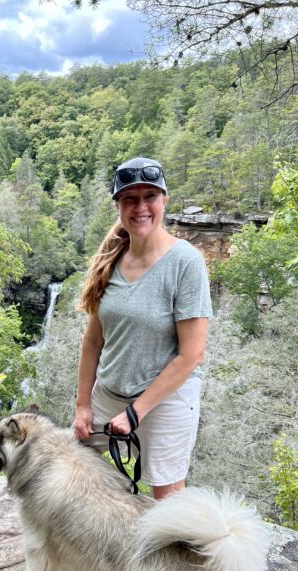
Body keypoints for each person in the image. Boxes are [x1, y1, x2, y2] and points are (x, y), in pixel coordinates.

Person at [73, 157, 212, 499]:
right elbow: (93, 342)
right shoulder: (112, 259)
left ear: (165, 200)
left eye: (150, 196)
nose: (141, 207)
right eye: (130, 199)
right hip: (108, 395)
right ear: (119, 206)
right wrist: (83, 407)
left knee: (167, 498)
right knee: (72, 470)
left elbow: (191, 354)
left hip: (165, 401)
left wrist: (136, 412)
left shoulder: (186, 262)